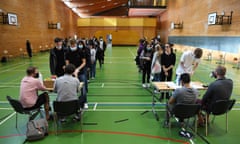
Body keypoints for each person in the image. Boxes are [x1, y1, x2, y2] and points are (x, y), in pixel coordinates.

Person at [65, 39, 88, 109]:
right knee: (71, 87)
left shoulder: (81, 51)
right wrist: (69, 70)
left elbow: (84, 62)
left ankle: (85, 102)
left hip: (81, 72)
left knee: (83, 87)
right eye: (71, 45)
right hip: (71, 72)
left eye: (74, 45)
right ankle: (71, 102)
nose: (73, 46)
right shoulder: (68, 52)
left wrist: (78, 69)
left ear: (76, 44)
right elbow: (67, 62)